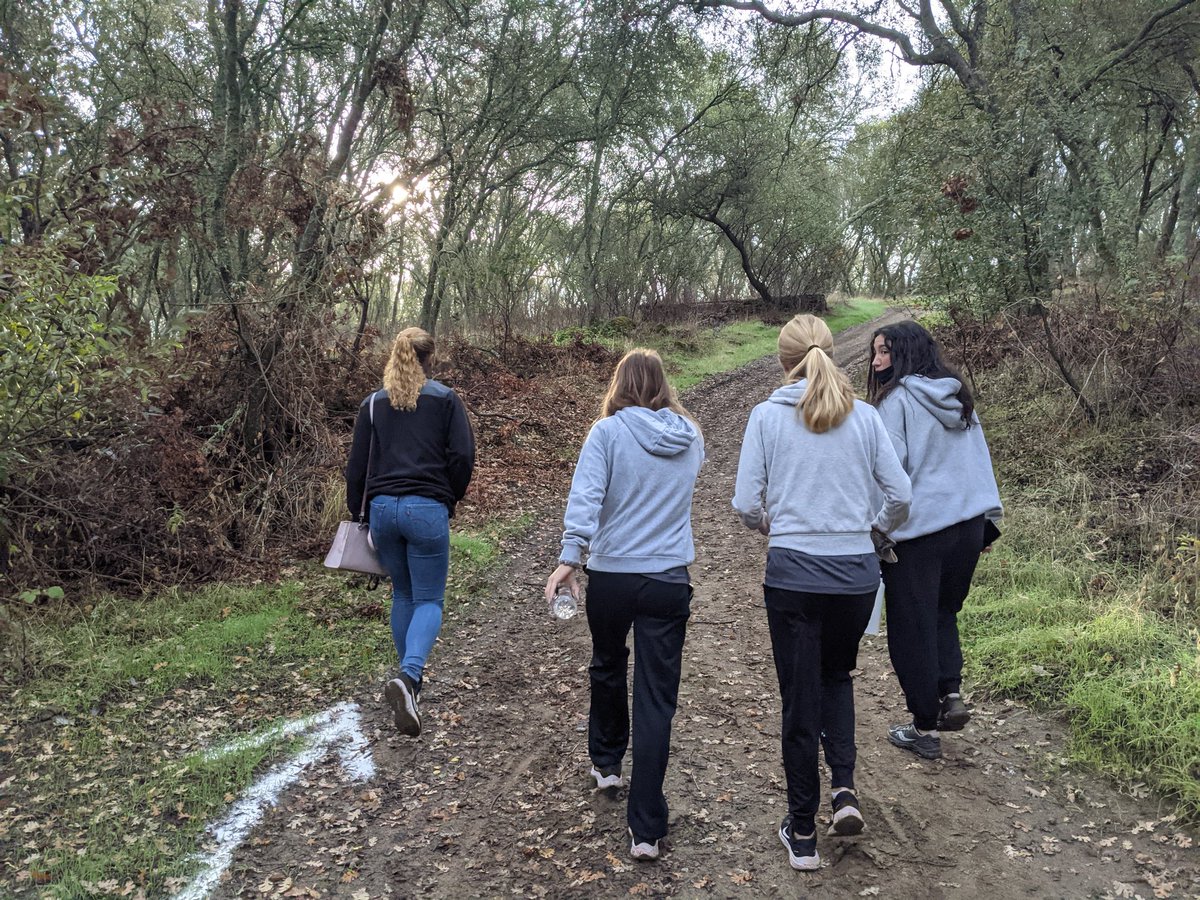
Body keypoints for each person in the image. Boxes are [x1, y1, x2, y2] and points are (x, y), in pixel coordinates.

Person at [733, 314, 911, 872]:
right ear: (832, 353)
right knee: (837, 677)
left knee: (798, 695)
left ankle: (802, 833)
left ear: (783, 360)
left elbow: (744, 505)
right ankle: (845, 792)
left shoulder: (766, 416)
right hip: (856, 576)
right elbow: (901, 496)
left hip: (792, 577)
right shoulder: (864, 416)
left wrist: (777, 524)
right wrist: (870, 529)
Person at [544, 349, 704, 863]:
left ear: (619, 385)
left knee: (608, 664)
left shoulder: (606, 433)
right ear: (662, 386)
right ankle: (646, 829)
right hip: (667, 579)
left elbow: (586, 497)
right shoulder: (690, 437)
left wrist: (570, 558)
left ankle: (607, 761)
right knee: (657, 699)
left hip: (612, 575)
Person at [867, 320, 1002, 761]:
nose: (875, 361)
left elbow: (890, 475)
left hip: (920, 531)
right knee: (944, 612)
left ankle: (924, 728)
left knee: (910, 629)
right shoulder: (958, 394)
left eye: (883, 352)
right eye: (875, 352)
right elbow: (977, 459)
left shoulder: (897, 402)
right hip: (968, 525)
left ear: (903, 352)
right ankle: (951, 694)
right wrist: (987, 521)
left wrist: (877, 527)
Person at [345, 326, 475, 738]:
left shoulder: (372, 405)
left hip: (383, 511)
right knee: (430, 599)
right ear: (429, 358)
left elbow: (356, 468)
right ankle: (411, 677)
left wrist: (359, 513)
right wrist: (447, 497)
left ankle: (407, 683)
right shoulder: (445, 399)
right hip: (426, 508)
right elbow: (463, 456)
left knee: (402, 594)